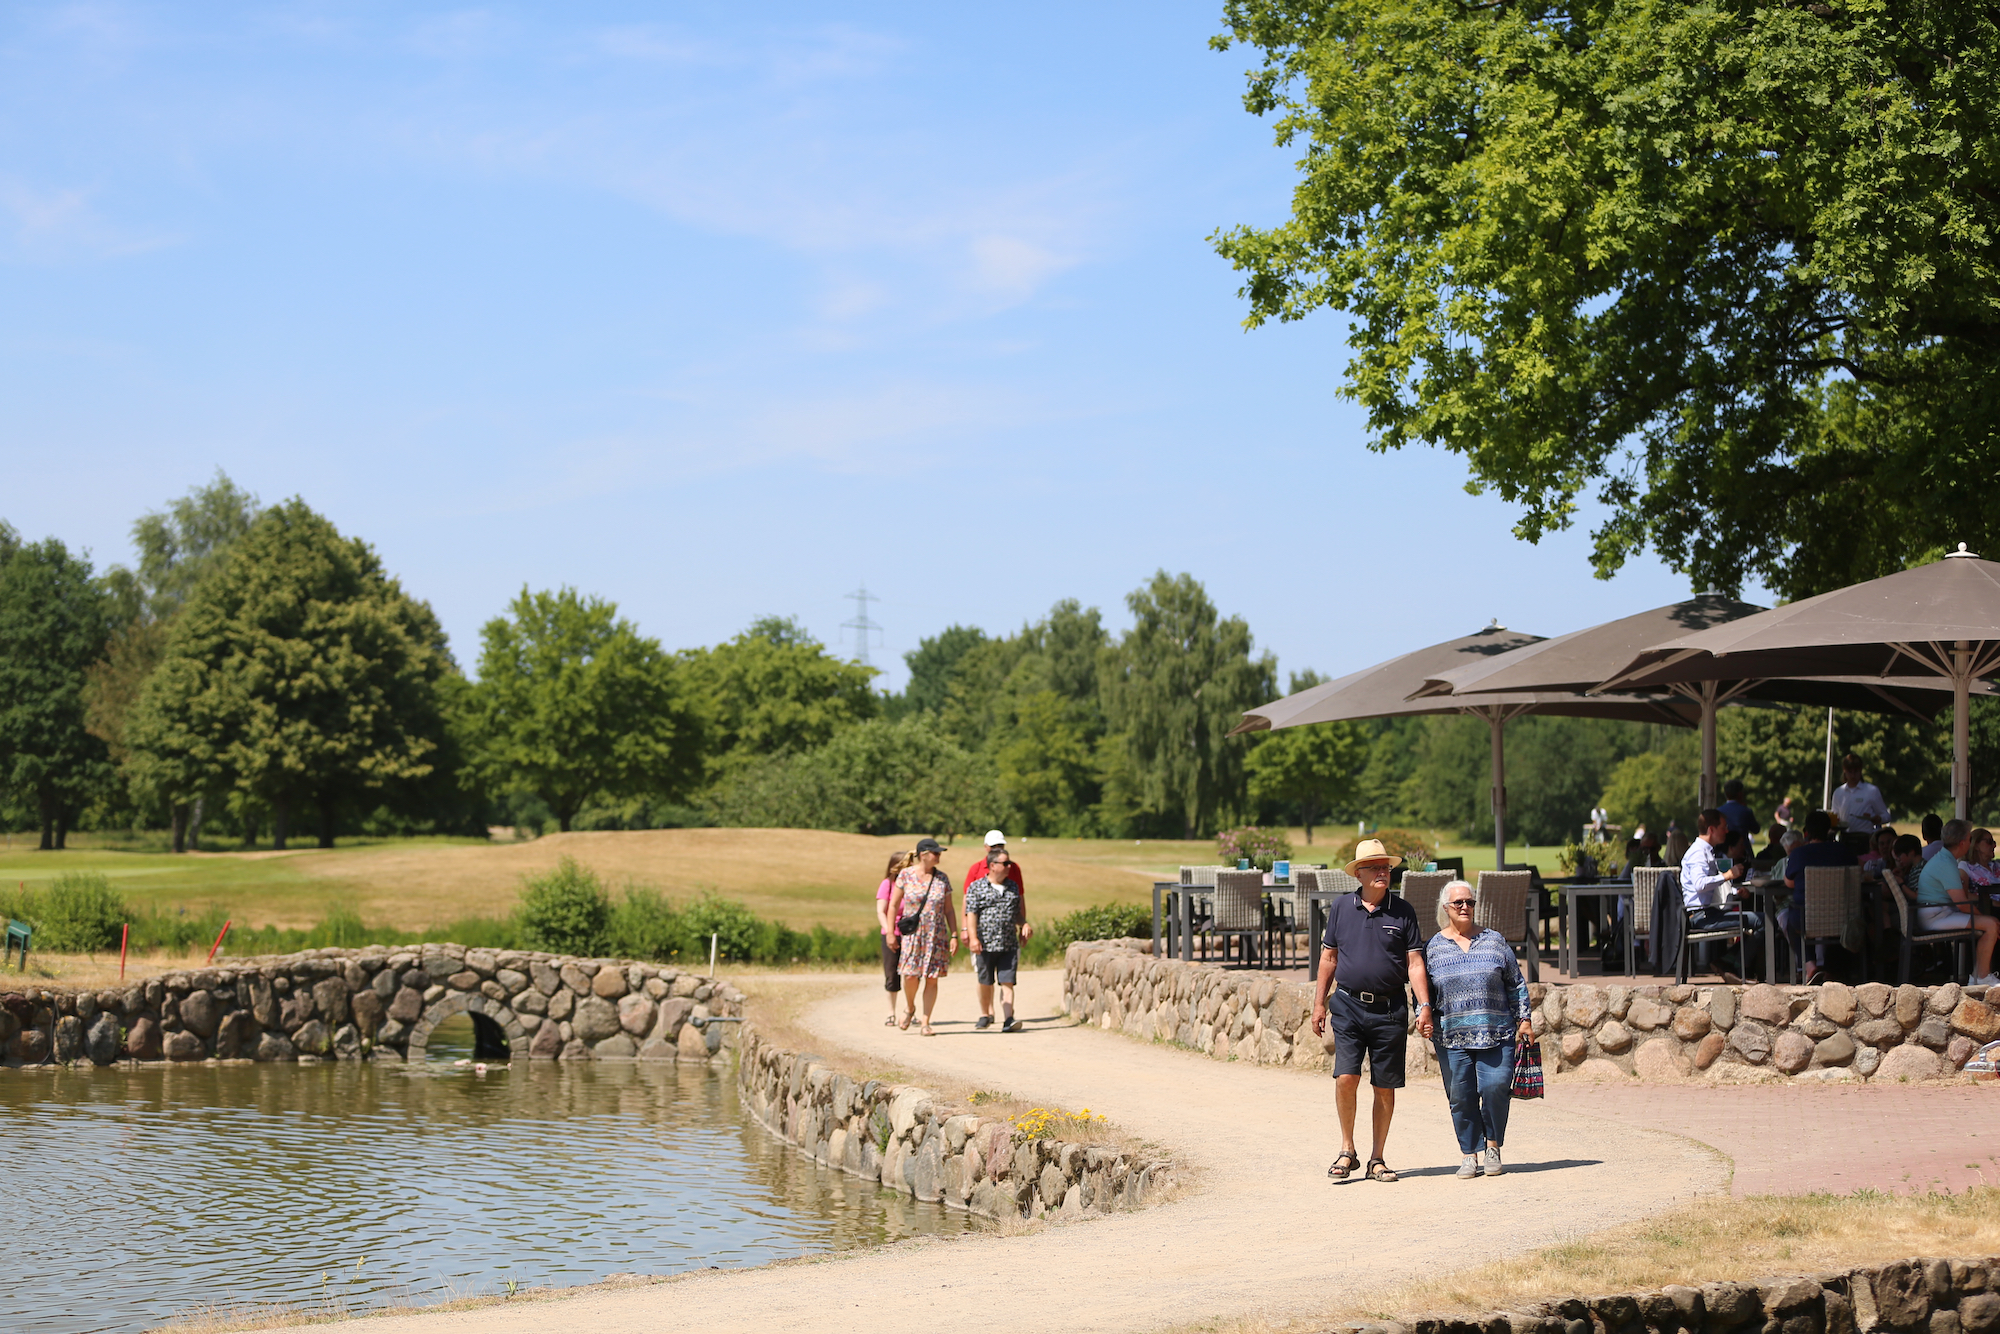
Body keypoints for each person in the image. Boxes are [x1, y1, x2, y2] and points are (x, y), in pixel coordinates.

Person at [1310, 839, 1433, 1185]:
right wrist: (1319, 1003)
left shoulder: (1403, 911)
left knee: (1384, 1086)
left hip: (1390, 1009)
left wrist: (1424, 1005)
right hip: (1347, 1005)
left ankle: (1377, 1158)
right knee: (1346, 1077)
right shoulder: (1341, 908)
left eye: (1386, 867)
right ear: (1359, 874)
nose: (1383, 872)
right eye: (1375, 867)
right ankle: (1347, 1149)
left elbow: (1414, 963)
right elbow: (1328, 958)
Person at [1424, 881, 1532, 1180]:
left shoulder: (1494, 941)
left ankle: (1493, 1147)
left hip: (1495, 1031)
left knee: (1495, 1087)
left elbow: (1515, 983)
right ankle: (1469, 1154)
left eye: (1469, 902)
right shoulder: (1433, 947)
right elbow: (1423, 991)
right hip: (1451, 1036)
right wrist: (1423, 1013)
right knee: (1461, 1095)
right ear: (1445, 908)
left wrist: (1524, 1019)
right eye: (1458, 903)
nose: (1464, 907)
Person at [1914, 819, 2000, 986]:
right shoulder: (1946, 863)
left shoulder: (1945, 859)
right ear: (1962, 843)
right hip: (1935, 916)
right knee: (1990, 925)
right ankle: (1981, 977)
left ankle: (1979, 977)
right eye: (1969, 839)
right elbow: (1961, 903)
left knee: (1990, 923)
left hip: (1937, 912)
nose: (1970, 842)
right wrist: (1984, 918)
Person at [1680, 807, 1763, 979]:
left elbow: (1709, 886)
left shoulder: (1705, 850)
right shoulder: (1698, 853)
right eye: (1723, 827)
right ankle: (1735, 965)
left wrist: (1735, 891)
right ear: (1711, 829)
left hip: (1707, 913)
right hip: (1702, 916)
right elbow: (1700, 884)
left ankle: (1728, 962)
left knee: (1761, 919)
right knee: (1763, 921)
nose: (1727, 831)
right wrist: (1727, 875)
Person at [889, 837, 960, 1034]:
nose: (939, 856)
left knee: (932, 978)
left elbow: (949, 910)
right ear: (923, 855)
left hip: (936, 936)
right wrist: (890, 932)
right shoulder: (906, 875)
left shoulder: (942, 878)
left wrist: (954, 935)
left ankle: (925, 1022)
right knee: (910, 976)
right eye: (935, 853)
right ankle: (910, 1007)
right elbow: (893, 905)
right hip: (913, 935)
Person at [1782, 810, 1857, 983]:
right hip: (1840, 916)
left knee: (1790, 920)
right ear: (1829, 830)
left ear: (1807, 831)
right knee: (1836, 928)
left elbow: (1789, 883)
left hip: (1806, 917)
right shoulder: (1843, 851)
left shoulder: (1799, 853)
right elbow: (1856, 873)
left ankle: (1810, 966)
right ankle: (1832, 970)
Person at [965, 847, 1032, 1032]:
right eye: (1005, 863)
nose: (1009, 866)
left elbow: (1016, 913)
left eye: (1009, 863)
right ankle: (985, 1014)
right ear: (992, 865)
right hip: (985, 944)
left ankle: (1008, 1018)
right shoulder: (977, 887)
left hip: (1008, 944)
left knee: (1007, 982)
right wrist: (973, 938)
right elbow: (971, 914)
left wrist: (1024, 924)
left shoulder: (1013, 887)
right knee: (985, 982)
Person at [875, 850, 914, 1026]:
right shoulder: (887, 884)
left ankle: (909, 1009)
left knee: (911, 974)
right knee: (892, 974)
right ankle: (891, 1012)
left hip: (910, 934)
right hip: (892, 934)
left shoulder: (913, 884)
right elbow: (881, 911)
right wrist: (889, 931)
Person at [1829, 755, 1890, 838]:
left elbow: (1886, 816)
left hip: (1865, 837)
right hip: (1844, 837)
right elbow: (1835, 817)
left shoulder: (1871, 791)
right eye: (1850, 772)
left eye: (1856, 771)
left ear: (1861, 771)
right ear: (1844, 771)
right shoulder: (1839, 792)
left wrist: (1879, 819)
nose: (1853, 775)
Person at [963, 829, 1024, 893]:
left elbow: (1020, 895)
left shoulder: (1013, 867)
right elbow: (967, 895)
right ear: (985, 847)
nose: (997, 848)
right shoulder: (976, 868)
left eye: (1000, 845)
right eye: (993, 846)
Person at [1720, 780, 1759, 850]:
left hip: (1724, 850)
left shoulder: (1718, 811)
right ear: (1740, 793)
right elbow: (1756, 829)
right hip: (1743, 850)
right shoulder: (1746, 811)